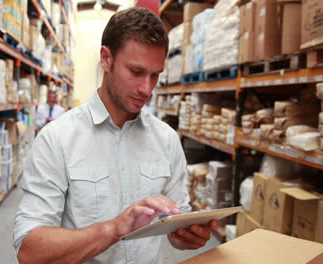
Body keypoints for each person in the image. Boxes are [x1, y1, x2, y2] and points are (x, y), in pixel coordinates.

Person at [14, 7, 219, 264]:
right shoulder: (57, 139)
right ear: (106, 58)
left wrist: (186, 235)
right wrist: (115, 228)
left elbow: (175, 230)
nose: (147, 89)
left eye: (155, 75)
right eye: (136, 72)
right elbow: (30, 251)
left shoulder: (166, 140)